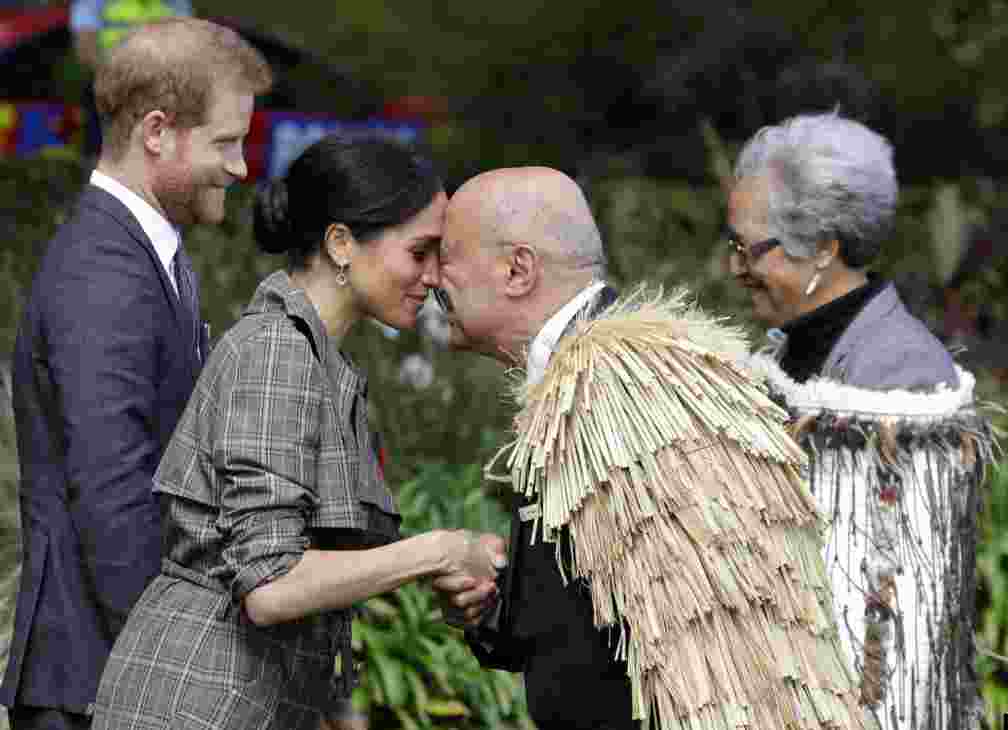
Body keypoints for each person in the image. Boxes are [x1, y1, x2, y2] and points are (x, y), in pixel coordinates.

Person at [89, 135, 505, 730]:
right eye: (421, 251)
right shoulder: (276, 354)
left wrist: (455, 564)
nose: (436, 276)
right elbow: (272, 586)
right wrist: (435, 551)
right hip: (198, 703)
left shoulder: (317, 360)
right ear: (341, 244)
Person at [432, 167, 867, 730]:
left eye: (446, 255)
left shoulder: (614, 381)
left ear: (518, 270)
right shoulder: (596, 377)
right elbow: (600, 616)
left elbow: (707, 639)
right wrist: (492, 610)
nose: (430, 276)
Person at [1, 18, 272, 730]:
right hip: (100, 685)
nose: (241, 167)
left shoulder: (139, 255)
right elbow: (113, 491)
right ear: (158, 132)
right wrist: (183, 662)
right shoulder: (104, 270)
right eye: (225, 142)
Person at [726, 112, 999, 730]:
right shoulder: (794, 349)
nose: (735, 268)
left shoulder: (900, 376)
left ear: (824, 247)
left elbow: (895, 622)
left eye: (749, 248)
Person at [71, 0, 194, 161]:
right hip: (111, 84)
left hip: (160, 86)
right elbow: (86, 48)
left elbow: (188, 48)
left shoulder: (175, 3)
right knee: (104, 156)